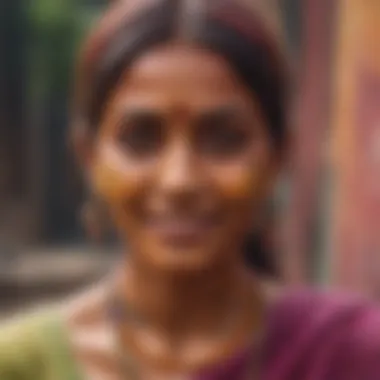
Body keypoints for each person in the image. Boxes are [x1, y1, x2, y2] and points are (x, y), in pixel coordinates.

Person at [1, 0, 380, 379]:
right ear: (89, 157)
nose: (179, 180)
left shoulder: (352, 355)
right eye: (141, 138)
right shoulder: (19, 365)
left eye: (224, 139)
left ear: (279, 155)